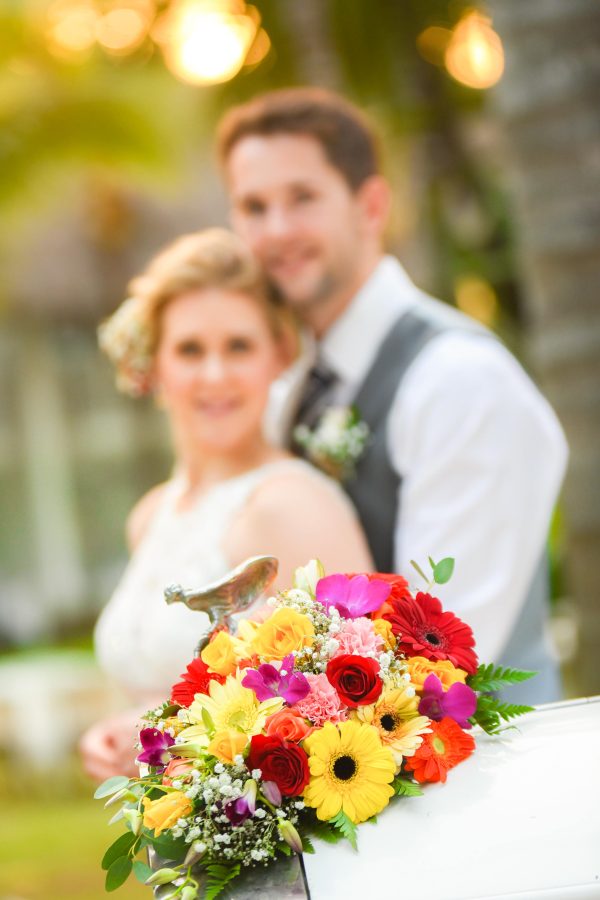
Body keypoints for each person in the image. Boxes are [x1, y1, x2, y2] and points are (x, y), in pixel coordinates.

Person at [217, 87, 569, 704]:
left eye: (302, 198)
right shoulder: (288, 389)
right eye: (254, 206)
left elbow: (444, 647)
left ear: (370, 205)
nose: (277, 230)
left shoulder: (457, 380)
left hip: (491, 781)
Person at [80, 228, 372, 781]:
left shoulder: (291, 505)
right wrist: (120, 735)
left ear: (277, 357)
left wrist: (171, 734)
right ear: (155, 365)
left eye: (238, 347)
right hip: (174, 852)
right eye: (190, 350)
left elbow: (357, 703)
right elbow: (156, 688)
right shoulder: (150, 516)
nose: (215, 375)